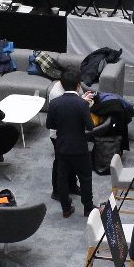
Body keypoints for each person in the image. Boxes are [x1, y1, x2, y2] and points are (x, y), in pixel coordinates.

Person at [46, 70, 95, 219]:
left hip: (61, 147)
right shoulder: (82, 104)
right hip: (79, 148)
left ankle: (66, 208)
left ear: (61, 83)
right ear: (78, 85)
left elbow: (50, 125)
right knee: (85, 178)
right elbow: (90, 126)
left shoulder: (55, 103)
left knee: (62, 177)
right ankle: (87, 208)